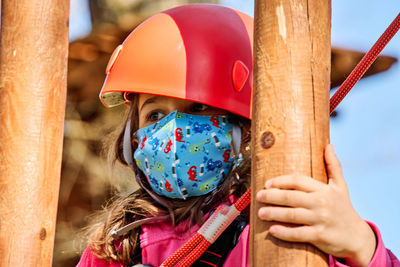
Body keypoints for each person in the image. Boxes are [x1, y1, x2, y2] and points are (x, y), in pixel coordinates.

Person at [77, 4, 399, 267]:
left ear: (242, 131)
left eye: (199, 108)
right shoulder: (115, 249)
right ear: (135, 140)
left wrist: (360, 244)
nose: (174, 129)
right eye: (156, 115)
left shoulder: (275, 226)